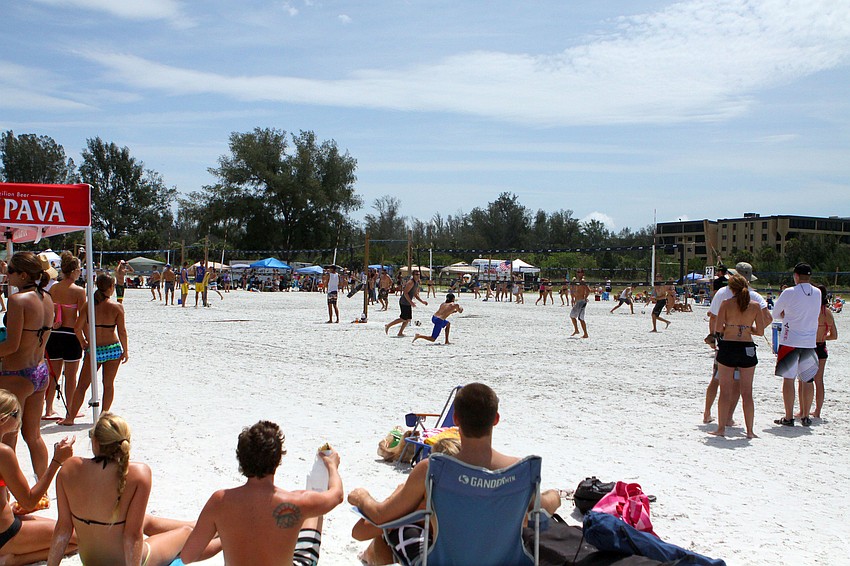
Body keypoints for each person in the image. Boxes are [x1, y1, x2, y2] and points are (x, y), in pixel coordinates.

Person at [348, 383, 561, 566]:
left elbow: (380, 515)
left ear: (456, 419)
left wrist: (361, 497)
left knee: (395, 530)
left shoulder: (433, 469)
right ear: (496, 419)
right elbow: (545, 505)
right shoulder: (519, 470)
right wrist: (556, 496)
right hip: (504, 561)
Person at [48, 412, 216, 566]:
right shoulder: (139, 473)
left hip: (91, 560)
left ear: (95, 441)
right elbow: (132, 536)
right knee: (185, 534)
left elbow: (63, 529)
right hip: (127, 561)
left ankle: (199, 525)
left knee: (146, 520)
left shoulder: (69, 468)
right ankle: (222, 535)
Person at [179, 421, 343, 565]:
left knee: (310, 504)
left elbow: (187, 557)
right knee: (313, 507)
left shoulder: (220, 501)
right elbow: (336, 495)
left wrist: (227, 539)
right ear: (278, 459)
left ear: (241, 459)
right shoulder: (297, 501)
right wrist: (332, 467)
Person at [0, 390, 77, 564]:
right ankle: (9, 560)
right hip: (5, 533)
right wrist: (57, 461)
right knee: (73, 537)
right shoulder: (3, 452)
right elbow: (29, 501)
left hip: (7, 522)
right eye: (16, 414)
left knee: (59, 528)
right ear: (4, 419)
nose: (19, 418)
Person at [0, 252, 54, 488]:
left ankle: (7, 497)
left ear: (22, 274)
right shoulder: (47, 298)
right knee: (33, 436)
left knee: (6, 439)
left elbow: (12, 345)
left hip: (16, 373)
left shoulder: (18, 300)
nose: (6, 273)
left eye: (10, 270)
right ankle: (41, 489)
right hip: (40, 370)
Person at [703, 262, 771, 425]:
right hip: (745, 344)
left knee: (717, 379)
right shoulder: (754, 297)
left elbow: (713, 317)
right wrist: (748, 329)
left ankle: (707, 413)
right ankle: (729, 418)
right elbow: (768, 319)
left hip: (725, 343)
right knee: (740, 386)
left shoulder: (722, 294)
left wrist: (714, 337)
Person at [61, 274, 129, 426]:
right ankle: (103, 417)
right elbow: (122, 331)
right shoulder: (117, 307)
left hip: (95, 348)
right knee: (108, 384)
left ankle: (70, 417)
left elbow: (77, 328)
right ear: (111, 288)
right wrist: (126, 350)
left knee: (82, 385)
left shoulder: (89, 306)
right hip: (112, 348)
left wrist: (83, 342)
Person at [773, 263, 822, 427]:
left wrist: (786, 315)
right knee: (808, 380)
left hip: (790, 341)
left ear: (796, 276)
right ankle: (806, 416)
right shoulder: (817, 293)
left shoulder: (789, 292)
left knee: (789, 380)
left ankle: (789, 417)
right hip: (809, 342)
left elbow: (775, 313)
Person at [44, 252, 86, 422]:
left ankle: (48, 409)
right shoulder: (78, 291)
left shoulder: (53, 288)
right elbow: (83, 319)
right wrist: (86, 338)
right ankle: (71, 409)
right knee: (70, 376)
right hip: (70, 334)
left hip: (54, 333)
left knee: (53, 374)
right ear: (75, 271)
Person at [797, 285, 837, 419]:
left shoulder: (811, 311)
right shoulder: (828, 313)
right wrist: (823, 336)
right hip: (822, 347)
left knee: (804, 380)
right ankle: (818, 411)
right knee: (819, 381)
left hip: (809, 346)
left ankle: (803, 410)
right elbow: (834, 335)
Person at [385, 271, 427, 337]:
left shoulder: (416, 283)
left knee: (408, 319)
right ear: (413, 275)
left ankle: (400, 333)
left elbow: (415, 294)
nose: (418, 276)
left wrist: (422, 301)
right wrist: (411, 302)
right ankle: (388, 325)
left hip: (408, 302)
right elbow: (405, 293)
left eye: (419, 274)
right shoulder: (411, 282)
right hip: (404, 302)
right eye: (416, 274)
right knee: (403, 318)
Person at [569, 270, 590, 338]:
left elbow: (588, 290)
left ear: (583, 273)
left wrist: (585, 297)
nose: (578, 273)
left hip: (581, 301)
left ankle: (585, 334)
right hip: (577, 301)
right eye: (578, 272)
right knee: (572, 316)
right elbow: (574, 291)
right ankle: (576, 330)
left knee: (581, 318)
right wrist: (573, 299)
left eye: (580, 272)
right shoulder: (577, 281)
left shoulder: (583, 281)